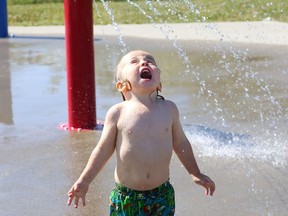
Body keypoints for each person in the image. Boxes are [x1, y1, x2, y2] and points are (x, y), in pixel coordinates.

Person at [67, 50, 215, 215]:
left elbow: (181, 143)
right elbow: (103, 150)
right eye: (134, 62)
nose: (144, 63)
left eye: (150, 61)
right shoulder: (118, 113)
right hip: (127, 197)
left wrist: (195, 173)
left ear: (159, 83)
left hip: (162, 195)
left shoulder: (169, 109)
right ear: (122, 85)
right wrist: (84, 181)